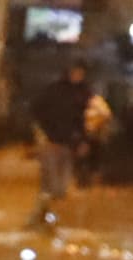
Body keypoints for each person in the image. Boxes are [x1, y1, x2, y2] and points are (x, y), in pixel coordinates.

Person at [32, 61, 99, 225]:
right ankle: (44, 219)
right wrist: (44, 133)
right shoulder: (53, 91)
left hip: (70, 146)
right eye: (75, 72)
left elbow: (90, 120)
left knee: (61, 187)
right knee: (50, 185)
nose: (77, 76)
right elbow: (36, 111)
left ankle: (51, 219)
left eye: (80, 73)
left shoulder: (86, 94)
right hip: (51, 143)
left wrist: (84, 142)